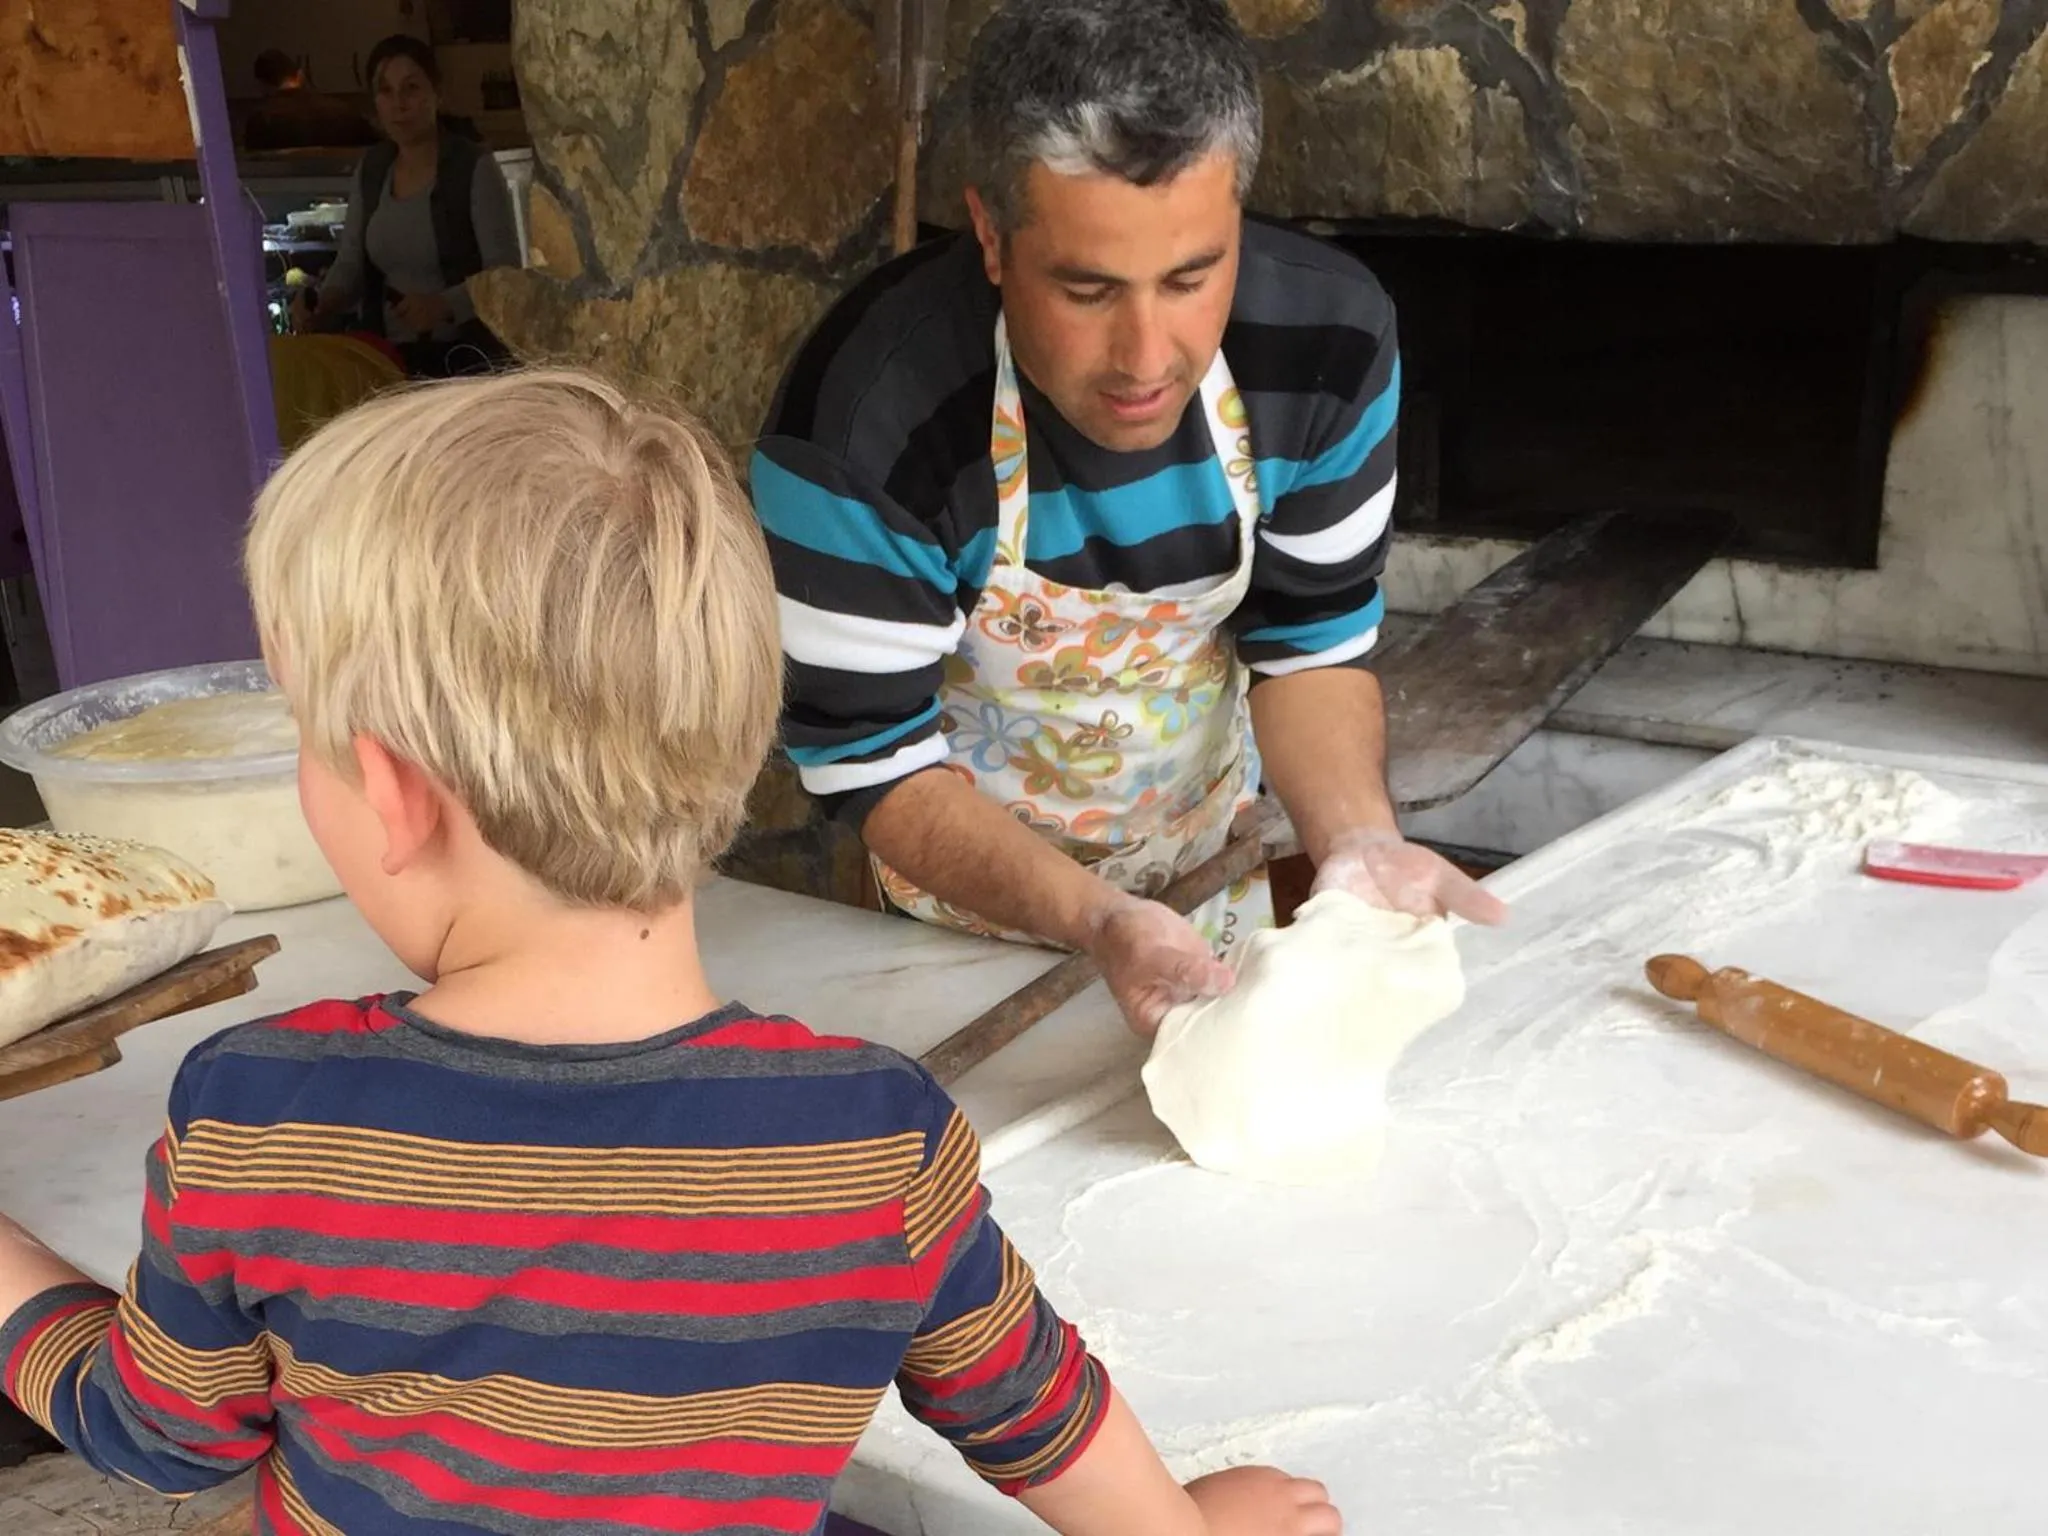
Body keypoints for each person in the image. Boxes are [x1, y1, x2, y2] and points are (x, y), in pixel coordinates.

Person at [0, 369, 1342, 1536]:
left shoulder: (263, 1118)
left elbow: (164, 1434)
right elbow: (1020, 1401)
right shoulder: (876, 1142)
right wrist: (1176, 1523)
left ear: (394, 794)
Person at [753, 0, 1508, 1034]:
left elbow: (1309, 642)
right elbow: (870, 757)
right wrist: (1098, 918)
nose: (1146, 357)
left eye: (1191, 276)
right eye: (1087, 288)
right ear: (989, 234)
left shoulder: (1325, 343)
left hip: (1207, 885)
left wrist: (1355, 842)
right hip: (947, 937)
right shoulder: (865, 418)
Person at [290, 34, 520, 377]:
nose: (399, 104)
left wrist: (444, 305)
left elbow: (505, 274)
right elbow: (350, 262)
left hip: (466, 360)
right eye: (385, 91)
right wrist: (322, 304)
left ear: (436, 94)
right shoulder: (372, 169)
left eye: (411, 88)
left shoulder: (472, 166)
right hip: (386, 361)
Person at [242, 48, 378, 152]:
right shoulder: (343, 110)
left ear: (261, 85)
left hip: (284, 186)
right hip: (339, 183)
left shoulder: (261, 120)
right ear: (300, 75)